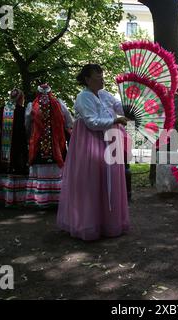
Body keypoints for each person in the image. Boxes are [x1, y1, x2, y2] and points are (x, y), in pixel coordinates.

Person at [56, 64, 130, 241]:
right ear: (87, 79)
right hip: (90, 143)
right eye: (98, 76)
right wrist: (115, 120)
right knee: (92, 181)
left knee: (110, 179)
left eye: (102, 75)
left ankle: (109, 222)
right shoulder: (83, 97)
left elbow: (120, 106)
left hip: (109, 141)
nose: (102, 79)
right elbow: (91, 122)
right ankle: (89, 223)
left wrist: (132, 100)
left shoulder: (104, 94)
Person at [25, 84, 73, 207]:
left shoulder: (32, 105)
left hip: (38, 142)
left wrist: (30, 134)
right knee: (56, 165)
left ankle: (40, 199)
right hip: (55, 142)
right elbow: (69, 120)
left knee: (39, 166)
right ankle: (57, 199)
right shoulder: (58, 103)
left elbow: (27, 124)